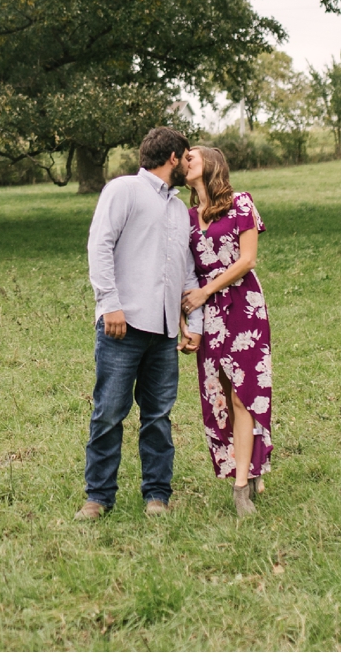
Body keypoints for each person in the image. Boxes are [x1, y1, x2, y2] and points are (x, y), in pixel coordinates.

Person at [77, 125, 195, 519]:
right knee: (109, 411)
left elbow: (187, 271)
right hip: (121, 325)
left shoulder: (180, 210)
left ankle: (157, 495)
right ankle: (98, 497)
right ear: (173, 157)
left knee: (158, 416)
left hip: (164, 332)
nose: (188, 164)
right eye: (187, 156)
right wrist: (110, 303)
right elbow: (100, 244)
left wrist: (191, 321)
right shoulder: (123, 190)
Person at [181, 145, 273, 517]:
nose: (186, 161)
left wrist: (206, 289)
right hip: (209, 315)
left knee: (243, 394)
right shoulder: (187, 217)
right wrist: (188, 323)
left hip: (243, 307)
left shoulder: (241, 204)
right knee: (219, 395)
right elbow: (185, 275)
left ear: (212, 165)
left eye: (192, 157)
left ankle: (241, 488)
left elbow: (248, 259)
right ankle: (249, 468)